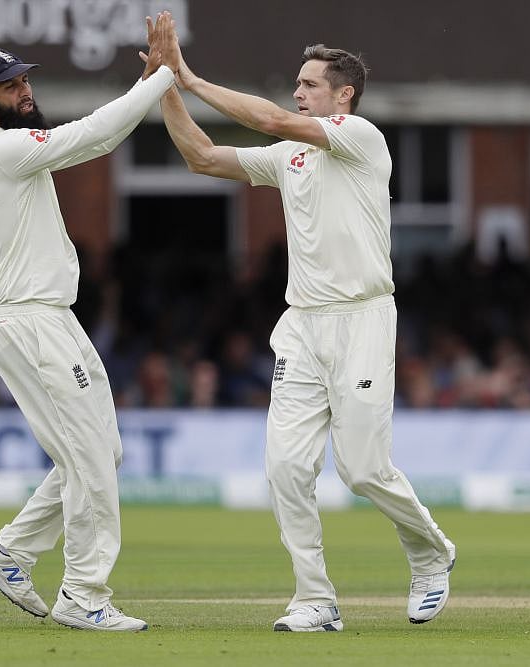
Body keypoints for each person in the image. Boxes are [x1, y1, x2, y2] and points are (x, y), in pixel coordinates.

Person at [154, 32, 456, 630]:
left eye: (310, 85)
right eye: (297, 85)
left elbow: (269, 119)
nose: (297, 93)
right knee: (286, 468)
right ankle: (314, 598)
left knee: (364, 469)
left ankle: (430, 552)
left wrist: (188, 77)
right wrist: (163, 89)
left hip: (363, 318)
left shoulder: (361, 139)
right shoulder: (290, 157)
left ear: (344, 96)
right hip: (301, 326)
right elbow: (203, 157)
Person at [0, 13, 177, 632]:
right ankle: (84, 595)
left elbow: (86, 138)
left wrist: (149, 83)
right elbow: (96, 138)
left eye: (24, 81)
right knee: (88, 459)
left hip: (49, 319)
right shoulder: (1, 152)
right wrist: (158, 81)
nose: (24, 91)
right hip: (30, 323)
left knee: (99, 453)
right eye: (9, 87)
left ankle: (9, 553)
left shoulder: (16, 152)